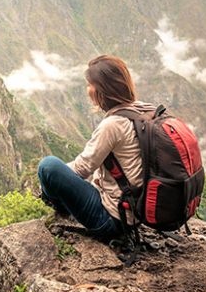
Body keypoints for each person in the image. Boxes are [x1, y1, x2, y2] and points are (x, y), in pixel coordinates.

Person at [38, 54, 156, 242]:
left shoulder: (113, 125)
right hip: (137, 212)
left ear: (102, 90)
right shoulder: (145, 111)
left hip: (111, 219)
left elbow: (82, 168)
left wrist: (49, 184)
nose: (88, 89)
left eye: (90, 85)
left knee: (48, 166)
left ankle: (58, 206)